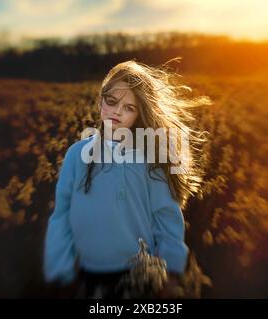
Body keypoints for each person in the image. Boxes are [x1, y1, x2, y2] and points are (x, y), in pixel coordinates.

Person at [43, 58, 212, 298]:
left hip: (139, 275)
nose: (117, 112)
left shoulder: (151, 159)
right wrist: (60, 271)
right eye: (111, 102)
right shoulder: (76, 155)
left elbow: (166, 216)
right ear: (100, 100)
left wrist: (171, 272)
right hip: (86, 274)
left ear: (139, 115)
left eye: (129, 108)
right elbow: (61, 215)